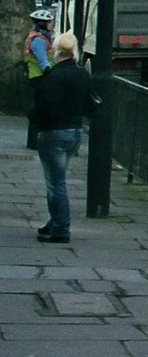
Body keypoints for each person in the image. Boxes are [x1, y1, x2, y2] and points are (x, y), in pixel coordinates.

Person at [31, 31, 96, 243]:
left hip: (54, 132)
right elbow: (89, 103)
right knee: (57, 179)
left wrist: (36, 119)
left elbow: (46, 106)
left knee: (56, 184)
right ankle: (55, 221)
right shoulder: (82, 74)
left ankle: (61, 229)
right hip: (75, 131)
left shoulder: (54, 76)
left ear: (57, 51)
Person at [23, 6, 55, 150]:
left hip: (36, 76)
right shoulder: (38, 41)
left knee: (38, 107)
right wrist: (50, 72)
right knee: (40, 108)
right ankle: (35, 141)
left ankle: (33, 141)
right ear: (43, 24)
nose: (51, 25)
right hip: (39, 77)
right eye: (49, 22)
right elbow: (43, 61)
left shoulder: (38, 37)